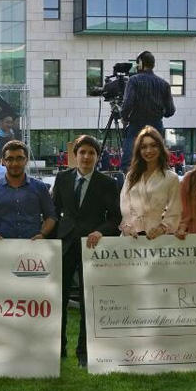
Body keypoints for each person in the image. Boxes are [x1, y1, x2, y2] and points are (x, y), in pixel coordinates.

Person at [51, 135, 122, 363]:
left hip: (92, 246)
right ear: (75, 155)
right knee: (59, 298)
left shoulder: (108, 183)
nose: (86, 156)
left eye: (91, 153)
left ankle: (84, 352)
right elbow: (53, 212)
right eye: (82, 152)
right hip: (64, 245)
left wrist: (100, 232)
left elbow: (115, 218)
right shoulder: (62, 178)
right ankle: (58, 350)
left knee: (87, 300)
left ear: (97, 157)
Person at [0, 140, 56, 240]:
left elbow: (51, 216)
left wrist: (43, 234)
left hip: (33, 246)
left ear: (26, 160)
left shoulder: (40, 187)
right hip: (2, 245)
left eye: (19, 158)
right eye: (10, 159)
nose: (15, 163)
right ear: (3, 161)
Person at [120, 126, 181, 239]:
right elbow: (124, 204)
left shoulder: (171, 178)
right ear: (139, 150)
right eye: (144, 147)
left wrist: (162, 228)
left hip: (156, 236)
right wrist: (128, 226)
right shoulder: (131, 176)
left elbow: (175, 210)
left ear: (160, 147)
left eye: (153, 145)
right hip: (131, 236)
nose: (148, 150)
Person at [119, 50, 175, 169]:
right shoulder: (164, 84)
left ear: (140, 63)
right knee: (159, 163)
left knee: (128, 163)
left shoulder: (134, 80)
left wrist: (124, 118)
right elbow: (170, 111)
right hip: (156, 126)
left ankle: (127, 177)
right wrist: (159, 112)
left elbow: (127, 104)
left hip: (136, 125)